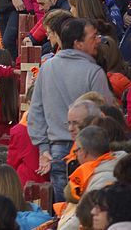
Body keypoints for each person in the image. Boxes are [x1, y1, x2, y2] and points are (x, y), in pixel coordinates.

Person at [28, 18, 114, 203]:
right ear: (78, 43)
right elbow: (107, 114)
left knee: (64, 207)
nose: (98, 40)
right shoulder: (94, 72)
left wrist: (43, 148)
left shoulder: (47, 68)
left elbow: (35, 111)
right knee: (90, 206)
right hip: (90, 149)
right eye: (93, 37)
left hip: (56, 150)